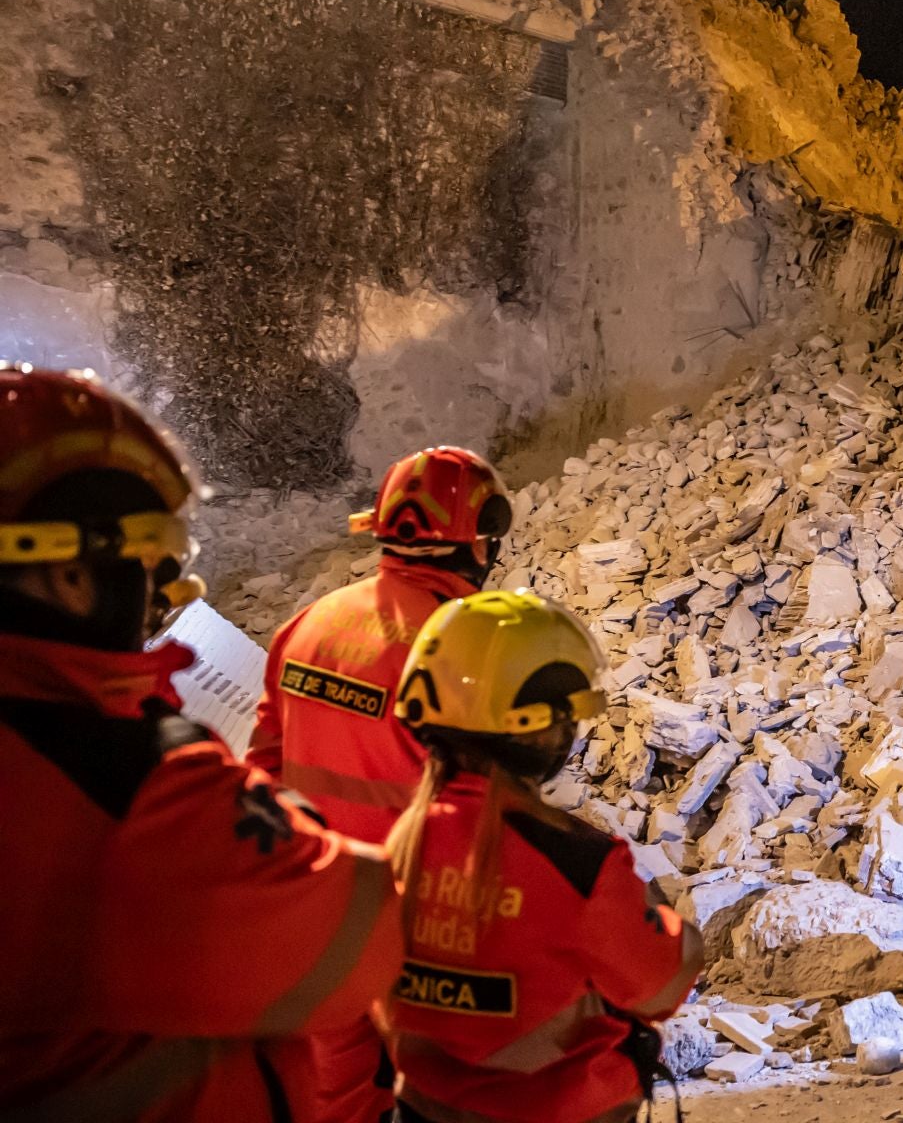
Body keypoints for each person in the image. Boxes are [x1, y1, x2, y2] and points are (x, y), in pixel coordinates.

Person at [0, 363, 403, 1120]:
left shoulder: (307, 626)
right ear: (69, 576)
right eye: (155, 560)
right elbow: (363, 938)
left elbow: (272, 743)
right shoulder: (127, 783)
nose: (173, 593)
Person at [249, 446, 513, 1119]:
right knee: (449, 1094)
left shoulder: (307, 625)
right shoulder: (465, 645)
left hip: (320, 911)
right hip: (423, 922)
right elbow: (491, 804)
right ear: (478, 540)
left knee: (339, 1094)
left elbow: (262, 772)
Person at [379, 590, 704, 1123]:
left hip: (421, 1107)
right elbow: (658, 987)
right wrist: (665, 919)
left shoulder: (401, 841)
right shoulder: (577, 864)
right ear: (541, 727)